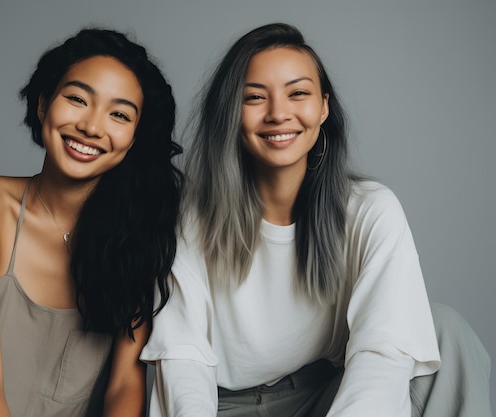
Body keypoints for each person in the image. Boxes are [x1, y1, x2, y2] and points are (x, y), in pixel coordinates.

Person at [140, 23, 492, 417]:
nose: (278, 113)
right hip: (227, 405)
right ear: (232, 113)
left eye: (298, 93)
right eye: (254, 97)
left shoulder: (370, 210)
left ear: (323, 106)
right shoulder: (191, 217)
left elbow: (382, 352)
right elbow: (183, 358)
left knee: (444, 330)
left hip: (326, 394)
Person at [0, 28, 182, 417]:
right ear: (42, 106)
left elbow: (125, 384)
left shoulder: (141, 233)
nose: (91, 126)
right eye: (77, 99)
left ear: (135, 139)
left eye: (119, 114)